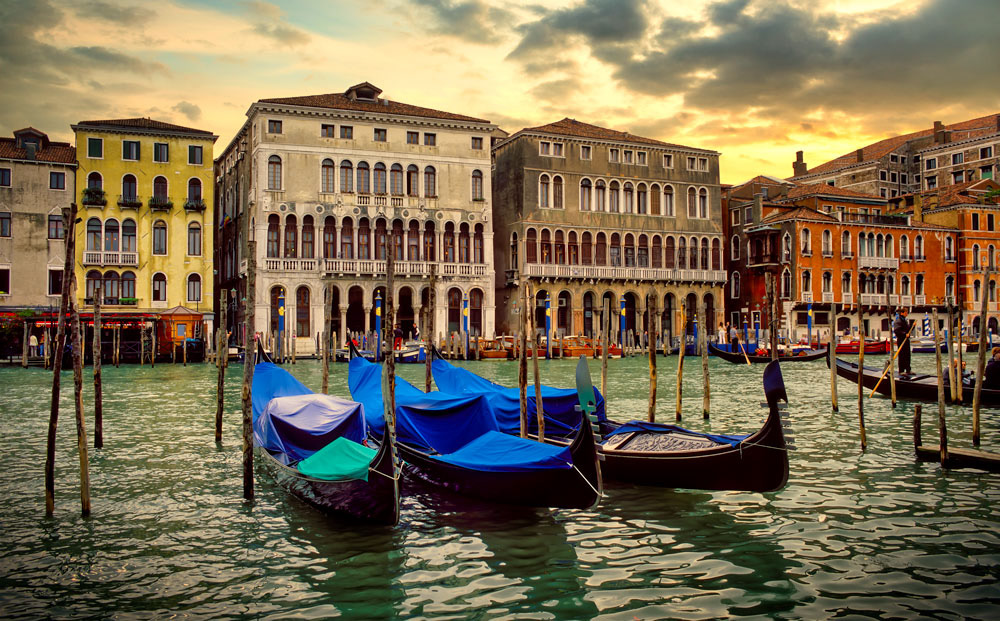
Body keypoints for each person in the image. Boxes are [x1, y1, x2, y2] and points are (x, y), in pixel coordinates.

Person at [893, 308, 912, 375]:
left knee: (907, 355)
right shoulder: (898, 321)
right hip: (901, 340)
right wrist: (904, 334)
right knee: (902, 355)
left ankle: (908, 370)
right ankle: (901, 370)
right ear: (902, 313)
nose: (907, 313)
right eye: (906, 312)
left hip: (906, 340)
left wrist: (912, 326)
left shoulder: (905, 321)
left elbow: (908, 330)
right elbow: (897, 331)